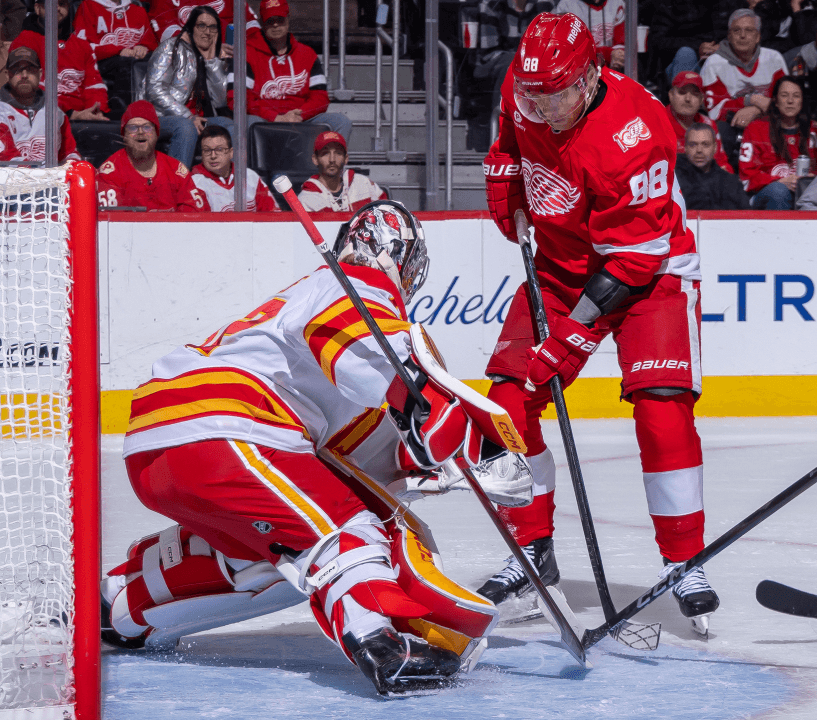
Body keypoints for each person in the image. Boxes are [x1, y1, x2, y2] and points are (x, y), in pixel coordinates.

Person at [100, 201, 529, 694]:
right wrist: (428, 405)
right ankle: (380, 644)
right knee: (347, 531)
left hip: (160, 445)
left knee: (272, 559)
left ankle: (119, 603)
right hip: (228, 427)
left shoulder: (303, 302)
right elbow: (358, 351)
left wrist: (456, 457)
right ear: (402, 261)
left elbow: (360, 453)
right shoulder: (355, 285)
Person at [480, 12, 719, 634]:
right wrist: (505, 178)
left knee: (660, 406)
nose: (547, 107)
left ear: (589, 76)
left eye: (559, 95)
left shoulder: (637, 134)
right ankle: (532, 547)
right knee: (509, 397)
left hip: (652, 269)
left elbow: (633, 261)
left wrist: (573, 336)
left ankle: (684, 559)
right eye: (537, 96)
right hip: (563, 262)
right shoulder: (528, 85)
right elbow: (509, 133)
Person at [228, 0, 351, 138]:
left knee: (341, 121)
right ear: (262, 22)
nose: (275, 25)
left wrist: (298, 115)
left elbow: (320, 97)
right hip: (263, 118)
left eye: (279, 19)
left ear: (288, 19)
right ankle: (251, 160)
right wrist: (275, 117)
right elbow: (237, 99)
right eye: (270, 20)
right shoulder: (245, 53)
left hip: (300, 117)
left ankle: (328, 160)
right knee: (249, 122)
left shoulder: (307, 54)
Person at [144, 7, 234, 170]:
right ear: (191, 27)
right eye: (202, 26)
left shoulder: (209, 53)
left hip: (196, 119)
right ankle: (177, 184)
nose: (208, 32)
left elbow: (221, 100)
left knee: (228, 125)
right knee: (186, 128)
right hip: (161, 117)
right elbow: (154, 89)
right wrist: (187, 116)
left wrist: (211, 62)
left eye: (213, 27)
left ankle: (229, 182)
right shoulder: (170, 48)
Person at [470, 0, 556, 150]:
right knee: (511, 65)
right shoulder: (491, 5)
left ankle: (545, 137)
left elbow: (548, 44)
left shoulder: (545, 4)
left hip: (532, 63)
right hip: (493, 63)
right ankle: (503, 133)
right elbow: (489, 51)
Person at [96, 100, 208, 212]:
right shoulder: (110, 173)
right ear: (124, 135)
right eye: (133, 128)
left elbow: (194, 215)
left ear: (156, 134)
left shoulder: (176, 169)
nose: (140, 132)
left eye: (147, 127)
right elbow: (111, 221)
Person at [739, 75, 817, 209]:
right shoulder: (755, 129)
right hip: (767, 194)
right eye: (784, 95)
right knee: (779, 191)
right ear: (775, 100)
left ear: (802, 101)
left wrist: (811, 180)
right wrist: (780, 181)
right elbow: (747, 176)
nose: (790, 101)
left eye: (796, 96)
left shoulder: (816, 131)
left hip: (807, 194)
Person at [11, 0, 109, 121]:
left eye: (62, 4)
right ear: (37, 8)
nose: (57, 8)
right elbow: (27, 90)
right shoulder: (24, 42)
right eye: (50, 4)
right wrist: (70, 114)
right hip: (40, 119)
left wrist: (96, 110)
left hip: (81, 118)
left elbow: (94, 86)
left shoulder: (82, 45)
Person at [701, 9, 787, 128]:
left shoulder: (774, 59)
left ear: (758, 37)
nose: (742, 35)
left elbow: (786, 101)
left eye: (749, 30)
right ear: (729, 36)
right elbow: (715, 111)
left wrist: (756, 110)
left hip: (770, 123)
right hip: (730, 126)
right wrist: (751, 100)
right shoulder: (714, 63)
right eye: (736, 30)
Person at [73, 0, 157, 119]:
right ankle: (126, 115)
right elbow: (81, 46)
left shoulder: (138, 10)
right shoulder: (88, 6)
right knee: (127, 64)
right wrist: (118, 50)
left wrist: (144, 46)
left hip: (133, 62)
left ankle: (151, 112)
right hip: (101, 62)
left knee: (154, 62)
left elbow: (151, 42)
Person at [0, 45, 80, 163]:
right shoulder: (2, 113)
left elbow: (70, 153)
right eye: (17, 70)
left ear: (40, 74)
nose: (24, 75)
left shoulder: (55, 112)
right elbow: (8, 160)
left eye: (30, 69)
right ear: (7, 75)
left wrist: (72, 166)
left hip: (51, 179)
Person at [191, 124, 277, 212]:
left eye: (219, 149)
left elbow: (272, 214)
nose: (213, 156)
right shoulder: (195, 183)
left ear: (231, 153)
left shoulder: (250, 176)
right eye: (207, 150)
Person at [298, 131, 389, 212]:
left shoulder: (363, 183)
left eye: (338, 153)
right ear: (315, 159)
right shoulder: (306, 199)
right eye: (325, 153)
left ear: (346, 159)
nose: (332, 159)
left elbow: (388, 215)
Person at [665, 70, 733, 173]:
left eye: (695, 94)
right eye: (682, 92)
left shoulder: (708, 124)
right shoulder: (656, 122)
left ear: (701, 100)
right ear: (671, 95)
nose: (688, 99)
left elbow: (722, 163)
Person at [676, 123, 751, 209]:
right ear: (685, 147)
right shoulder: (672, 180)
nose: (699, 150)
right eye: (693, 145)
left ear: (715, 148)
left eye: (705, 144)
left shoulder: (731, 183)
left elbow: (747, 218)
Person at [149, 0, 259, 46]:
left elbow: (250, 24)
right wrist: (210, 51)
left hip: (231, 58)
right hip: (188, 61)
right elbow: (168, 32)